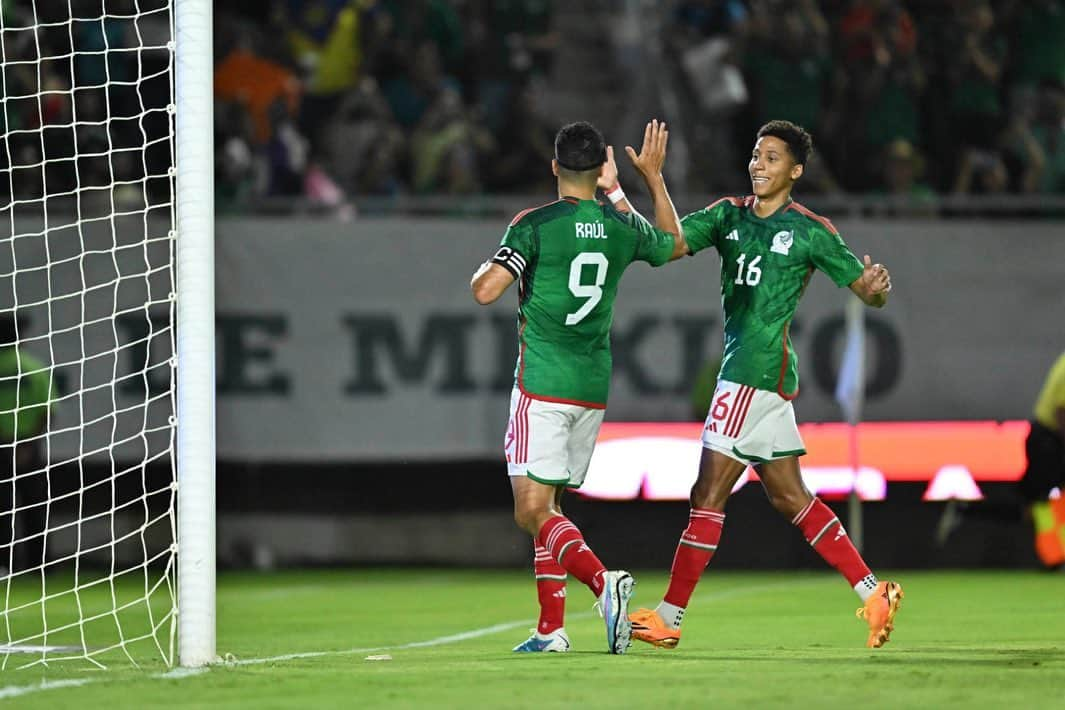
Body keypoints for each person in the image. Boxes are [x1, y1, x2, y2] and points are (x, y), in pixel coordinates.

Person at [612, 120, 902, 649]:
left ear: (795, 171)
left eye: (771, 158)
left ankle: (670, 617)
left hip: (751, 371)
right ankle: (872, 591)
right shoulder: (728, 215)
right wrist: (654, 180)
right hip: (762, 377)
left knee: (707, 493)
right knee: (792, 498)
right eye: (755, 155)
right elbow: (667, 246)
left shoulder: (811, 230)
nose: (758, 165)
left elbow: (866, 291)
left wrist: (877, 289)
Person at [470, 120, 686, 654]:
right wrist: (646, 183)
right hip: (590, 388)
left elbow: (485, 291)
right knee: (552, 505)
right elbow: (673, 245)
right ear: (600, 168)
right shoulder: (618, 225)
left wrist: (492, 267)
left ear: (554, 167)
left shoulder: (535, 225)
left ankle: (602, 583)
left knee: (531, 510)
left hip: (542, 382)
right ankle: (551, 630)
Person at [0, 314, 54, 575]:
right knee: (34, 508)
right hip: (29, 448)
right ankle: (38, 566)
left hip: (3, 447)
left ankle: (5, 565)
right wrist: (29, 443)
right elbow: (49, 410)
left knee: (2, 510)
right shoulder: (33, 367)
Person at [1021, 351, 1065, 568]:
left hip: (1048, 438)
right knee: (1044, 502)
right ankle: (1051, 558)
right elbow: (1061, 412)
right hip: (1048, 440)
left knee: (1046, 502)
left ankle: (1053, 556)